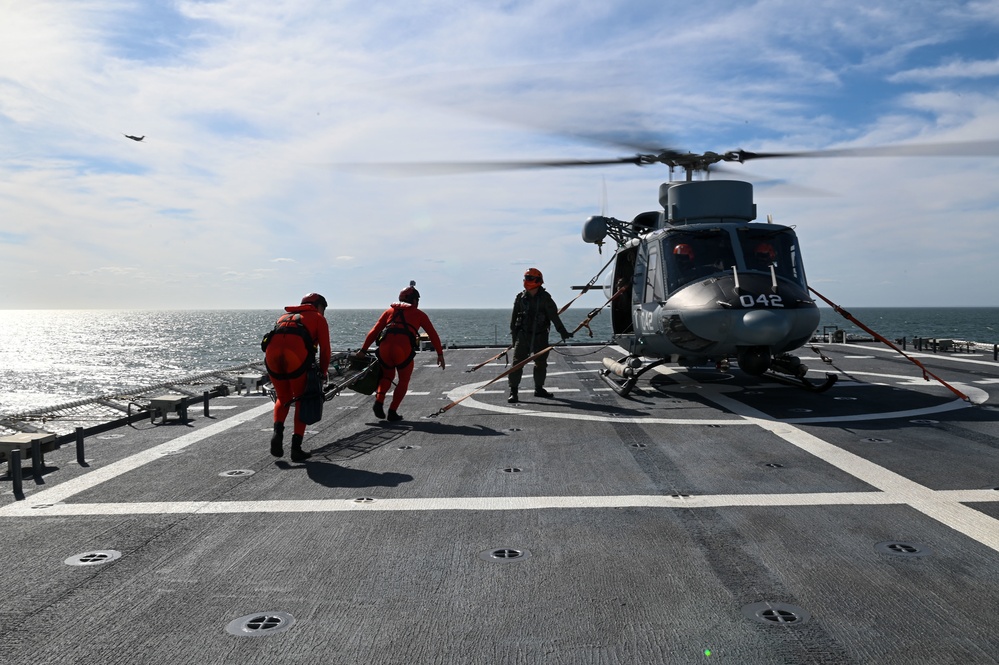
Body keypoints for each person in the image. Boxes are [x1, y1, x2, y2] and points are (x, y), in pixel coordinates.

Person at [357, 283, 445, 422]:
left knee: (387, 376)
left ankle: (379, 401)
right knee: (403, 380)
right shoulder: (419, 314)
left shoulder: (389, 312)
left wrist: (363, 350)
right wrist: (439, 354)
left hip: (385, 349)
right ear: (415, 300)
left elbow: (374, 332)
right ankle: (392, 411)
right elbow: (433, 335)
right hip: (402, 349)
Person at [264, 293, 331, 462]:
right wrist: (323, 373)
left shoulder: (284, 317)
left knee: (283, 397)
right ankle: (296, 448)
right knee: (302, 399)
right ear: (318, 306)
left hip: (271, 359)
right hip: (295, 359)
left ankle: (277, 433)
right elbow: (326, 350)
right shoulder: (318, 318)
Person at [508, 268, 572, 403]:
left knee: (541, 363)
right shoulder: (520, 298)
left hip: (540, 336)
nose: (527, 281)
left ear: (537, 281)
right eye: (526, 278)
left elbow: (554, 317)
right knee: (517, 364)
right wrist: (515, 340)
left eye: (530, 278)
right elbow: (513, 321)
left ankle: (539, 388)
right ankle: (513, 391)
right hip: (523, 335)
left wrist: (563, 332)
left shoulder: (545, 299)